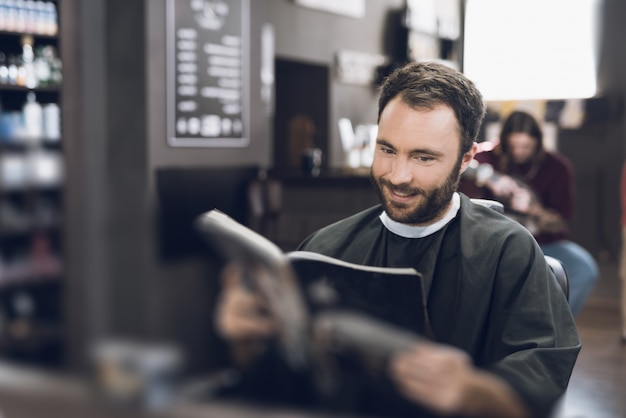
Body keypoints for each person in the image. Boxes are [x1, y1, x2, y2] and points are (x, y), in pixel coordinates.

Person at [214, 62, 581, 418]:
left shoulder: (507, 252)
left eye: (423, 157)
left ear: (466, 157)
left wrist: (471, 391)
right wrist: (246, 344)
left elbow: (538, 387)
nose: (398, 175)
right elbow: (288, 387)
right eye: (387, 150)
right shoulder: (324, 249)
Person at [460, 110, 599, 316]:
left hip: (541, 243)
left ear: (538, 143)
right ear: (503, 142)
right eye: (513, 146)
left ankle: (555, 327)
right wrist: (489, 177)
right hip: (493, 244)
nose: (518, 152)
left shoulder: (557, 167)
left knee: (584, 268)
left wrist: (532, 208)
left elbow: (560, 223)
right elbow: (456, 164)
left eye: (525, 147)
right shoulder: (486, 156)